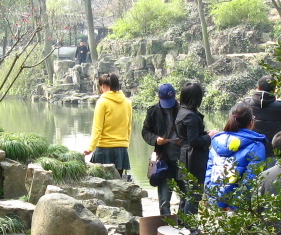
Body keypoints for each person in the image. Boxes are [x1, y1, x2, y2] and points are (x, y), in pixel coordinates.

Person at [205, 103, 267, 235]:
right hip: (240, 209)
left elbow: (209, 174)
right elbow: (251, 180)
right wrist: (237, 206)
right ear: (251, 122)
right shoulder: (256, 144)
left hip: (220, 206)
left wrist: (217, 202)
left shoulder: (216, 141)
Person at [141, 82, 182, 217]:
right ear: (159, 98)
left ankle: (183, 224)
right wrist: (155, 139)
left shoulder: (184, 110)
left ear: (175, 96)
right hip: (163, 160)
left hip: (182, 159)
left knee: (187, 196)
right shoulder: (153, 111)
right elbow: (146, 131)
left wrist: (184, 140)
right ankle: (167, 227)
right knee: (164, 200)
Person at [174, 81, 211, 219]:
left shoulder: (182, 112)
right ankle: (190, 226)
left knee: (186, 193)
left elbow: (190, 137)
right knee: (194, 194)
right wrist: (209, 138)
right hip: (193, 158)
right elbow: (194, 141)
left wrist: (206, 133)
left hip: (185, 156)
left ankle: (181, 222)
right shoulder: (190, 115)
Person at [84, 72, 132, 175]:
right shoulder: (127, 102)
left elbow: (97, 128)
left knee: (99, 184)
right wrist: (125, 144)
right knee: (118, 184)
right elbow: (128, 127)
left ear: (103, 86)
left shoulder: (102, 102)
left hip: (104, 149)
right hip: (121, 149)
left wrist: (90, 148)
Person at [240, 74, 281, 156]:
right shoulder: (280, 106)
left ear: (258, 87)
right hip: (272, 151)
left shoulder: (246, 103)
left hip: (251, 148)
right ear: (274, 90)